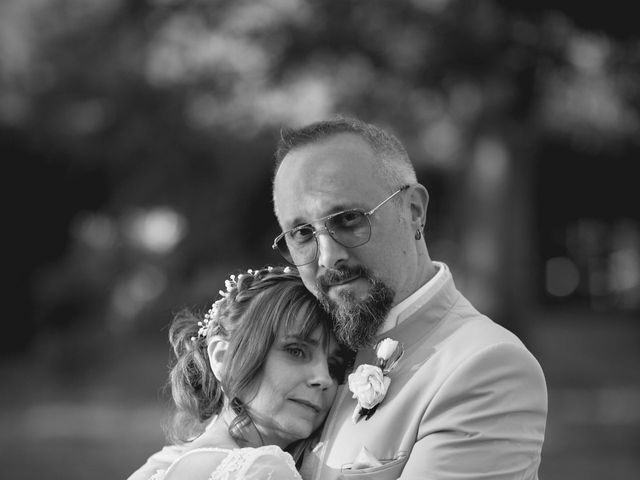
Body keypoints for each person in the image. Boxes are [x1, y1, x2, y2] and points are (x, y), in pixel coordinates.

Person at [129, 115, 548, 480]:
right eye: (302, 234)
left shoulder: (484, 367)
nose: (328, 257)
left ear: (415, 211)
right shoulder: (311, 340)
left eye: (349, 220)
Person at [133, 266, 351, 480]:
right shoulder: (262, 471)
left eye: (334, 366)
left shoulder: (161, 465)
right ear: (222, 357)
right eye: (296, 351)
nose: (323, 379)